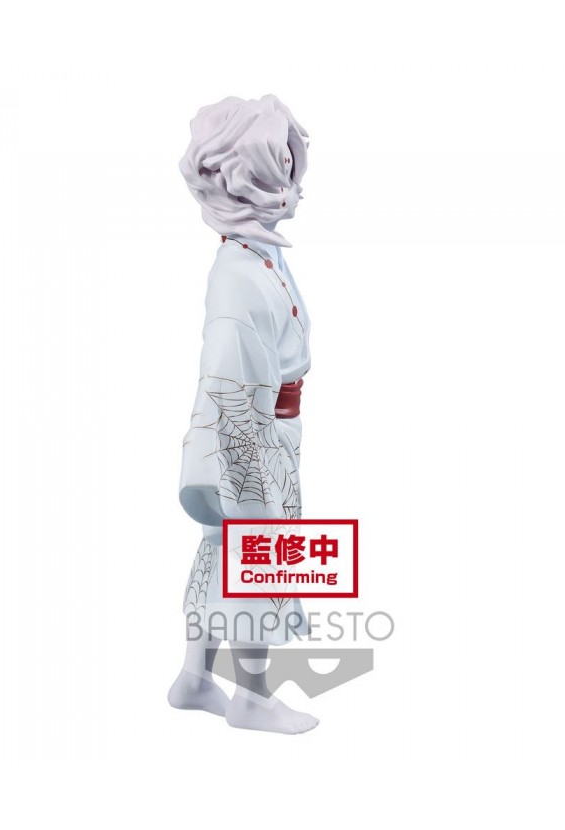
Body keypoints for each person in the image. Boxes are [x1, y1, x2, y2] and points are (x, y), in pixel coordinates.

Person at [167, 94, 319, 733]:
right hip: (252, 434)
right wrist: (247, 465)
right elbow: (230, 378)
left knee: (222, 551)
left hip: (267, 427)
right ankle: (252, 695)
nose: (292, 175)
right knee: (255, 557)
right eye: (279, 161)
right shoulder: (240, 274)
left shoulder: (256, 255)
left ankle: (195, 678)